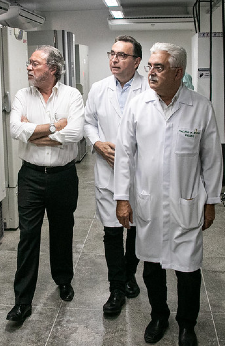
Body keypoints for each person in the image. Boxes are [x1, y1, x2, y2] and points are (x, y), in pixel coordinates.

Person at [114, 43, 222, 346]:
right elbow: (124, 156)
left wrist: (211, 202)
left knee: (188, 270)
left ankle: (187, 324)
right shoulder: (138, 105)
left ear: (178, 72)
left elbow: (212, 159)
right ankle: (159, 316)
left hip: (186, 203)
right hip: (148, 203)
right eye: (149, 66)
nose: (150, 72)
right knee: (152, 267)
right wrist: (123, 199)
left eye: (157, 67)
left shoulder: (200, 107)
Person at [6, 45, 85, 323]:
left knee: (63, 230)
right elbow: (16, 129)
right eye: (29, 63)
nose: (29, 67)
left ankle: (63, 280)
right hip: (30, 177)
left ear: (52, 68)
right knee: (28, 236)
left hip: (63, 176)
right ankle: (22, 301)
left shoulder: (72, 95)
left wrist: (33, 132)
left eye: (35, 63)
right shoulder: (21, 96)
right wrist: (54, 127)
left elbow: (76, 133)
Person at [83, 35, 148, 315]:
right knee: (112, 232)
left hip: (140, 174)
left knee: (135, 231)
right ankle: (116, 289)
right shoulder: (99, 89)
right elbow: (88, 122)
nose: (114, 59)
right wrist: (97, 143)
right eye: (112, 53)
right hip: (107, 172)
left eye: (122, 55)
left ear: (136, 62)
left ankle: (129, 273)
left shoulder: (149, 89)